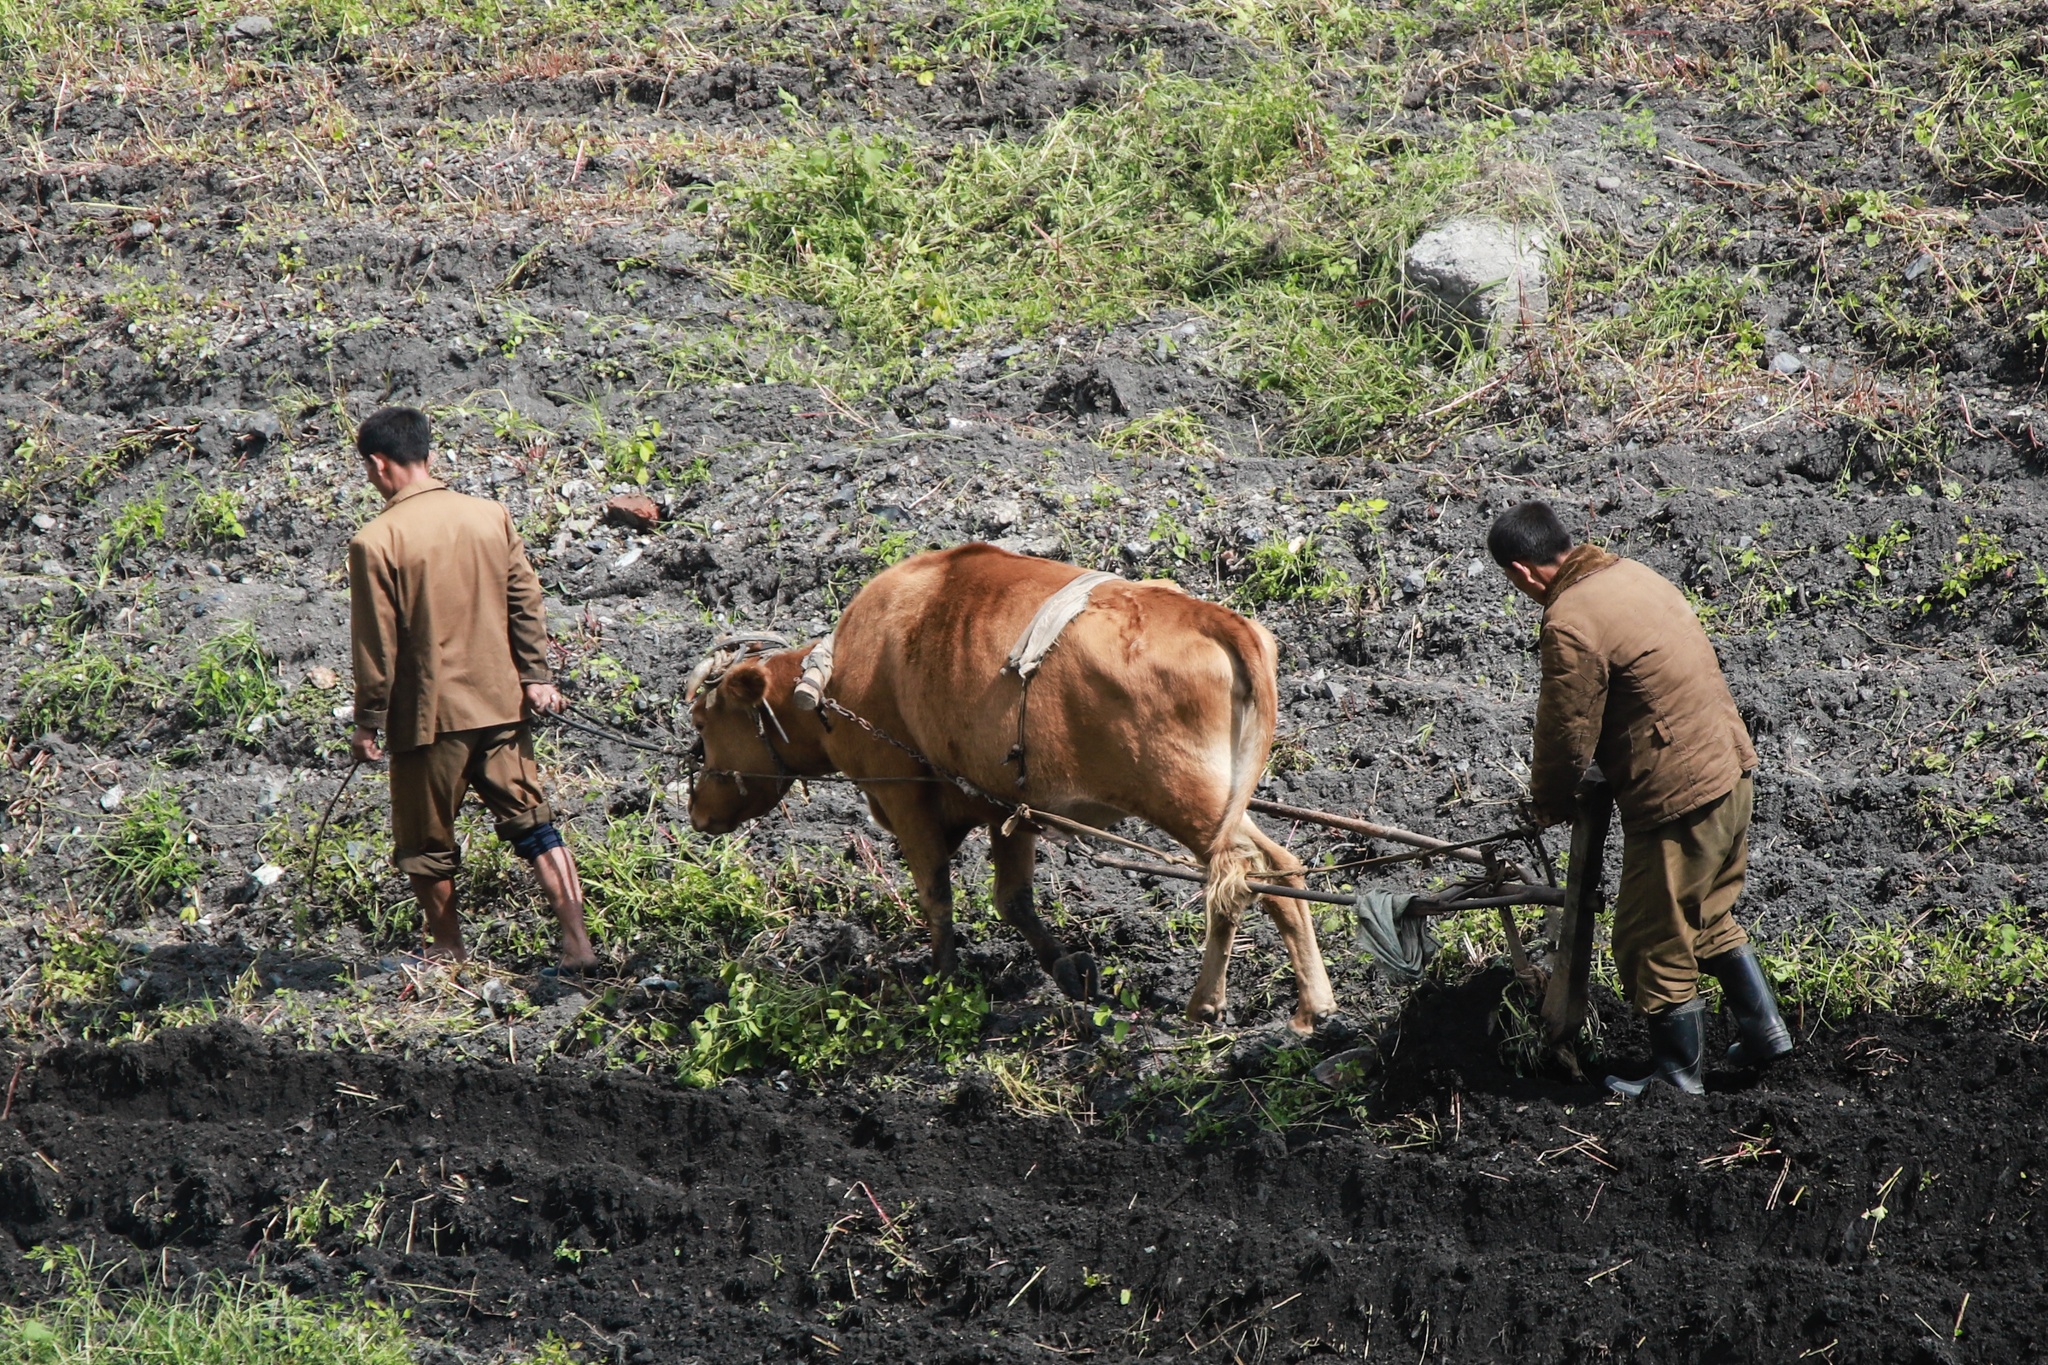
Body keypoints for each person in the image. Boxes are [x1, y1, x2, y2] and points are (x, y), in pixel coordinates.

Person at [1487, 500, 1791, 1096]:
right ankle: (1765, 1032)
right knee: (1704, 914)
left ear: (1522, 572)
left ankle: (1676, 1079)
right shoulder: (1634, 575)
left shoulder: (1570, 619)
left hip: (1679, 795)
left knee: (1648, 937)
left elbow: (1565, 730)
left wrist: (1548, 802)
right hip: (1729, 769)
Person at [347, 405, 598, 972]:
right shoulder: (491, 516)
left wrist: (368, 720)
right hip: (503, 704)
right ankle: (579, 944)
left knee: (425, 845)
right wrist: (535, 678)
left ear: (379, 465)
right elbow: (525, 602)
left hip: (428, 720)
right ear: (429, 456)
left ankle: (448, 948)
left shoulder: (376, 540)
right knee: (534, 824)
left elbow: (376, 644)